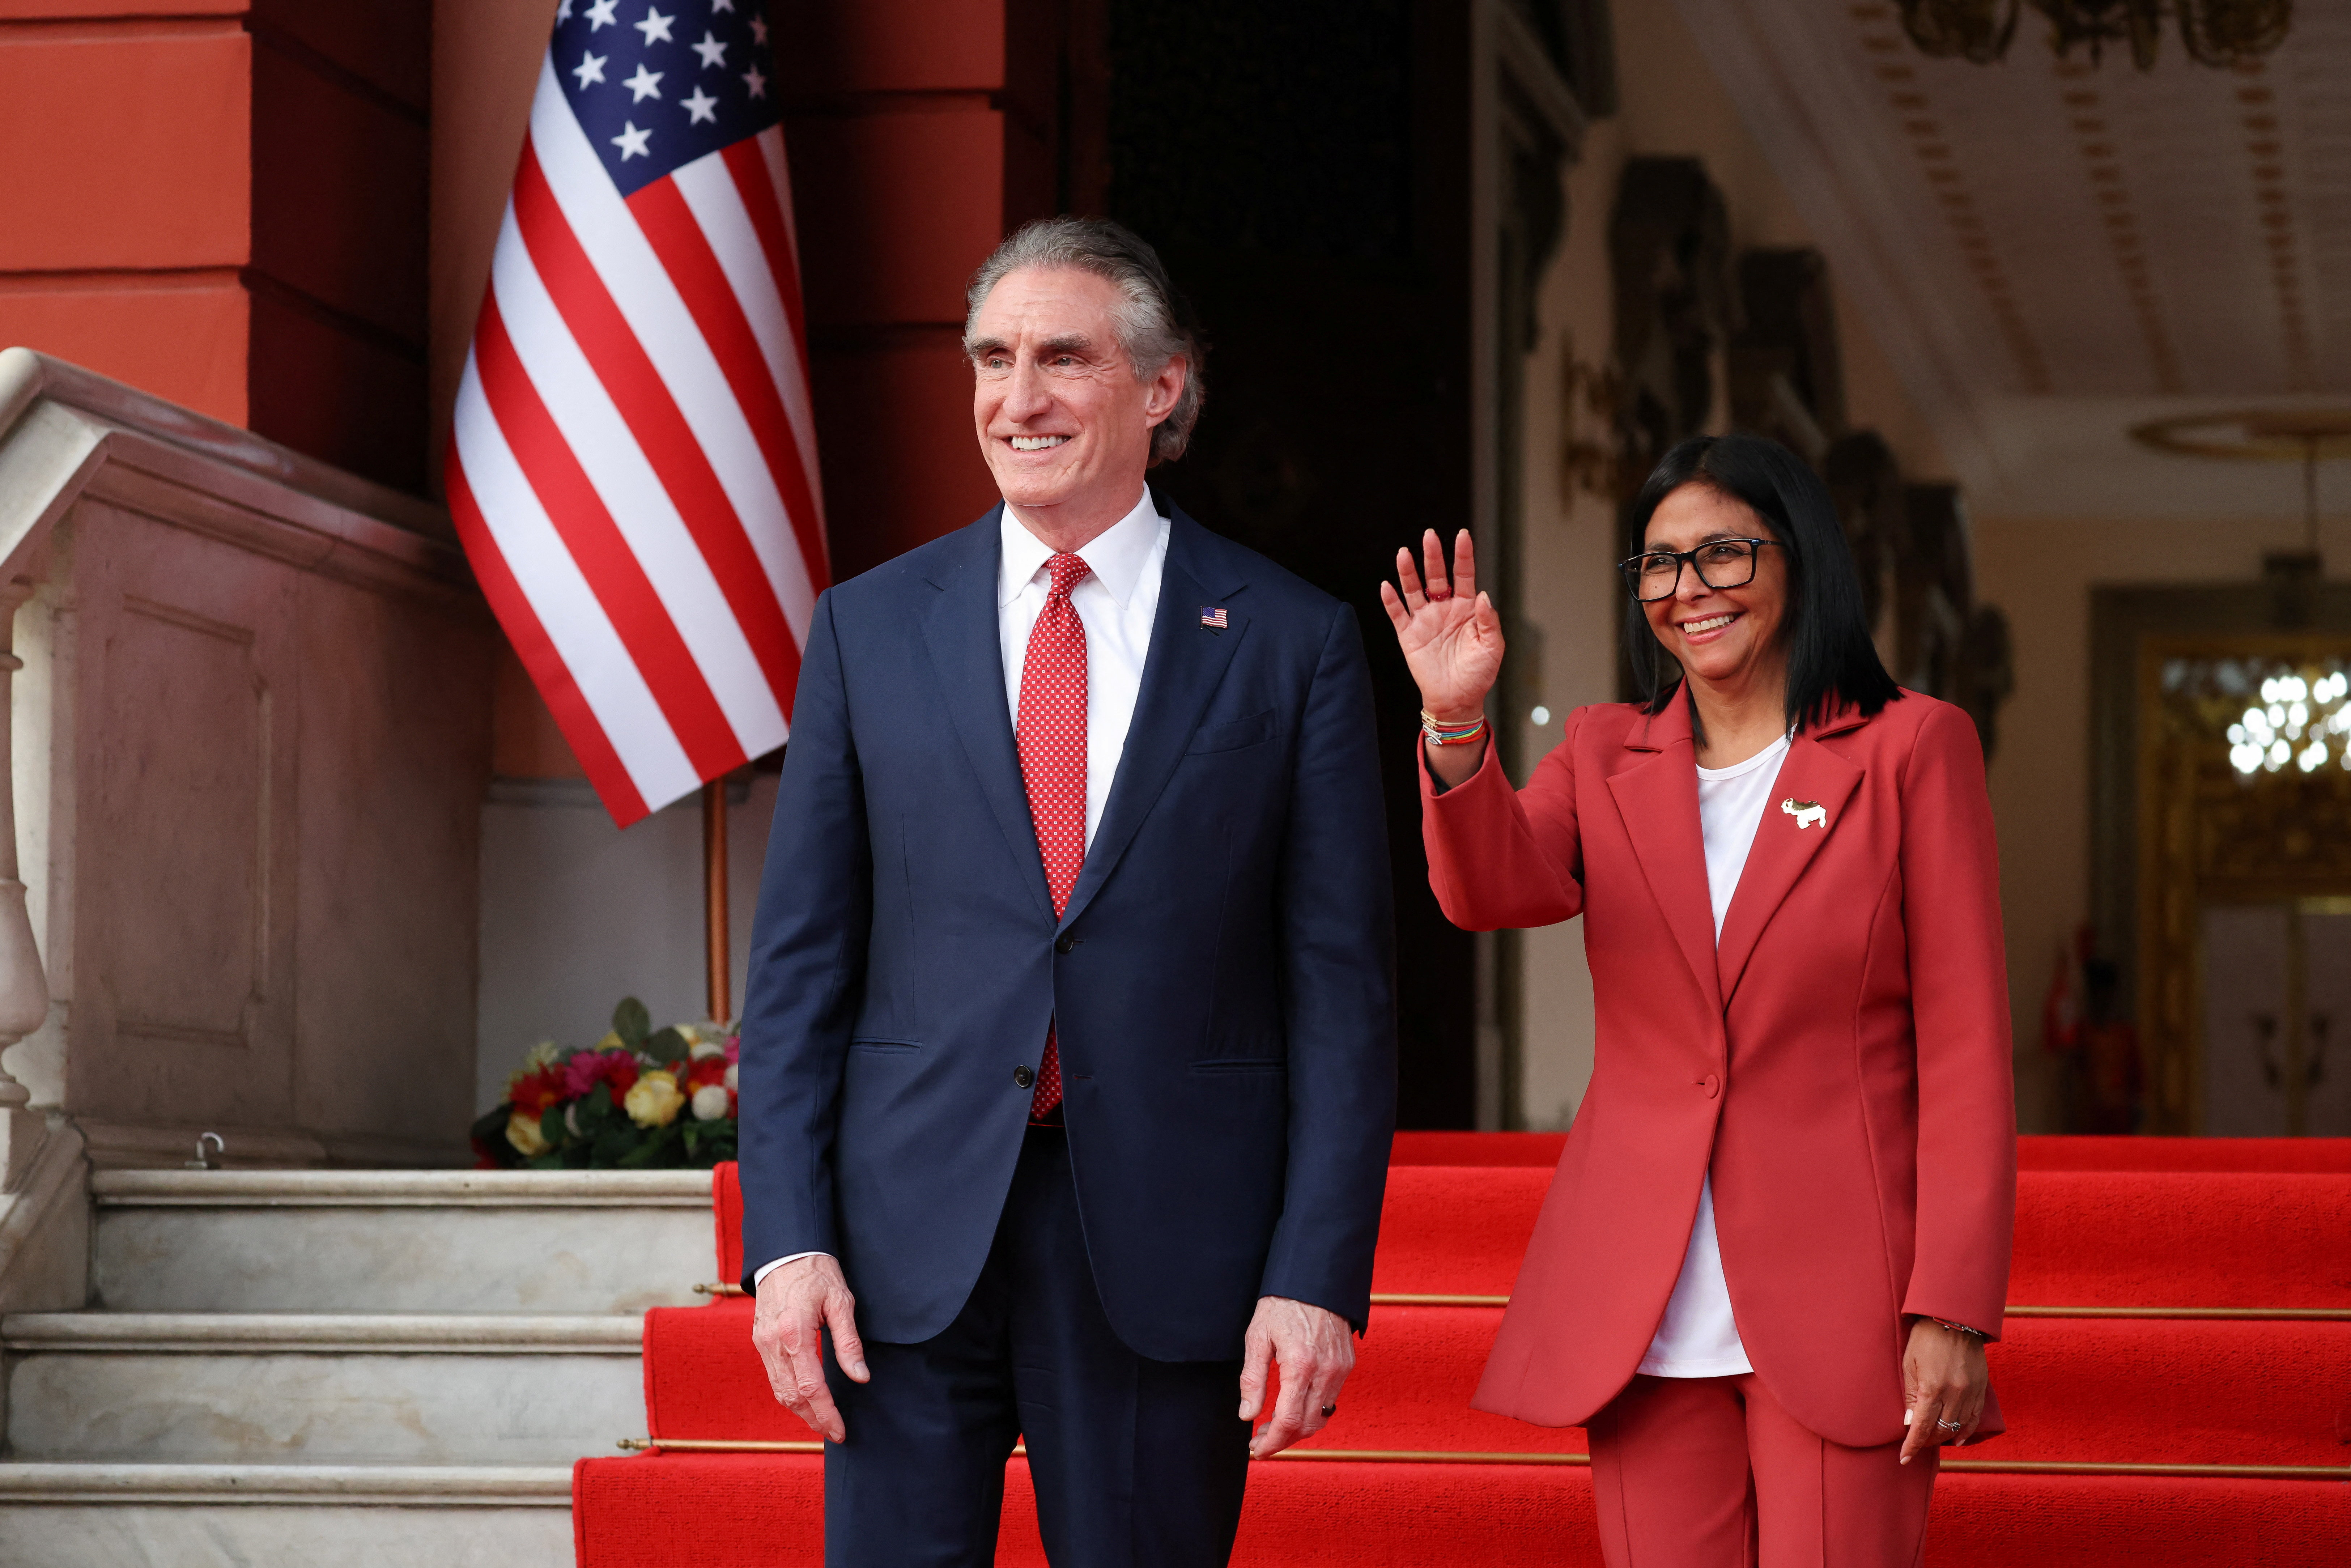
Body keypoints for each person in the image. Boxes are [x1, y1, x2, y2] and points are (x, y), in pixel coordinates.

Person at [736, 216, 1397, 1567]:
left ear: (1163, 390)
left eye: (1062, 360)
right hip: (899, 1247)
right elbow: (801, 970)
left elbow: (1341, 997)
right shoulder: (868, 626)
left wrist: (1312, 1275)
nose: (1015, 399)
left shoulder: (1291, 640)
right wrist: (786, 1245)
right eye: (991, 358)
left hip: (1168, 1243)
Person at [1381, 433, 2015, 1566]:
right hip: (1644, 1298)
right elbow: (1489, 893)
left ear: (1800, 560)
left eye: (1722, 554)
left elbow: (1966, 1044)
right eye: (1660, 566)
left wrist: (1952, 1306)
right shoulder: (1601, 750)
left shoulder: (1913, 745)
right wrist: (1453, 725)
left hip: (1842, 1292)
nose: (1687, 592)